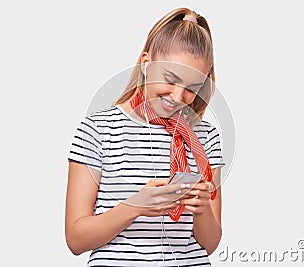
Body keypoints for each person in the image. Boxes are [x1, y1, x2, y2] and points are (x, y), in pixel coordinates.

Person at [65, 7, 226, 266]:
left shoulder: (206, 138)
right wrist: (135, 207)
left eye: (192, 88)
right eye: (170, 80)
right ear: (146, 64)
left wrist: (203, 209)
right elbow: (75, 240)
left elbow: (210, 244)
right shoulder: (99, 130)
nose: (177, 97)